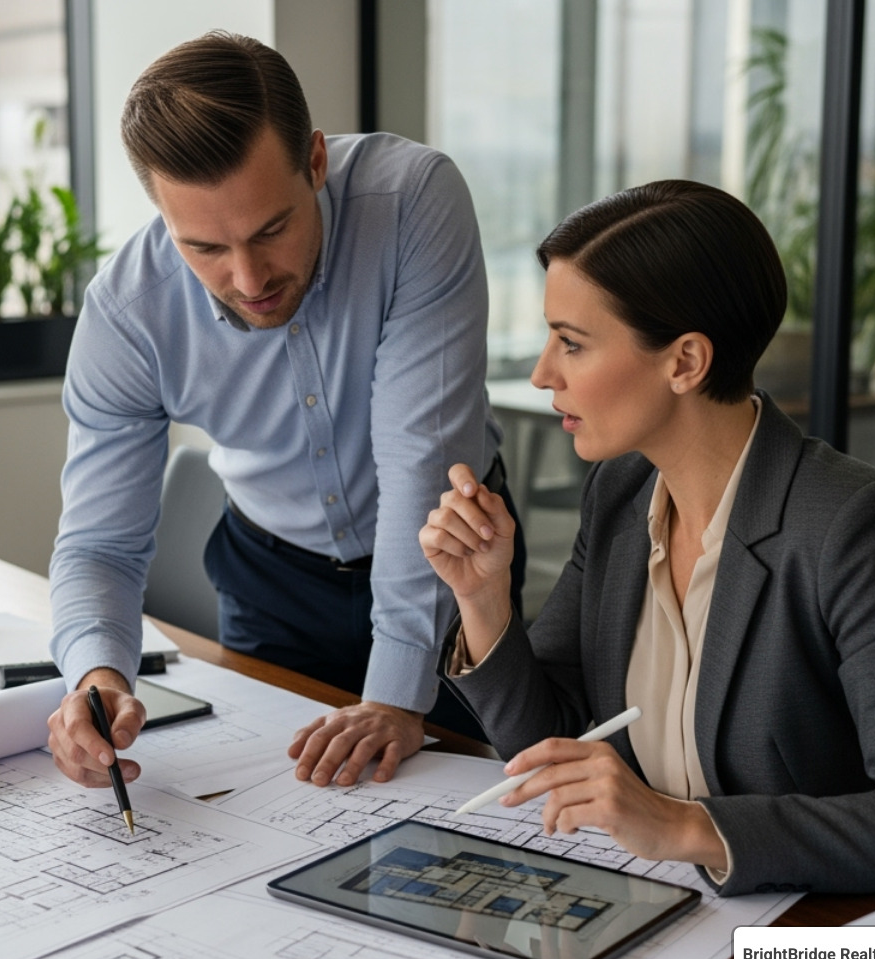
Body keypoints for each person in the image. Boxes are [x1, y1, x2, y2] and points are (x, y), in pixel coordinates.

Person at [420, 180, 875, 895]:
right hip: (651, 894)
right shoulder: (621, 491)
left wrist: (684, 826)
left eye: (571, 343)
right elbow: (550, 747)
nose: (541, 374)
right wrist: (484, 598)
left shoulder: (853, 525)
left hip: (801, 931)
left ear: (686, 362)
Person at [47, 32, 525, 792]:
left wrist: (395, 697)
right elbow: (100, 543)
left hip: (450, 560)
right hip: (273, 583)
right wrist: (96, 676)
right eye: (205, 248)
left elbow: (421, 462)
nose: (249, 279)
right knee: (279, 811)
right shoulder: (127, 313)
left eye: (271, 229)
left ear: (315, 160)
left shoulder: (412, 200)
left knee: (474, 804)